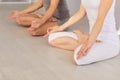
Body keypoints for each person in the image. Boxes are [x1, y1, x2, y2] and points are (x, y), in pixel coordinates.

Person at [46, 0, 120, 65]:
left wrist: (90, 41)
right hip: (91, 36)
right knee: (52, 38)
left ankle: (82, 41)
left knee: (79, 58)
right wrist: (60, 28)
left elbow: (100, 19)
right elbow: (81, 13)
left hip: (108, 41)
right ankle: (83, 40)